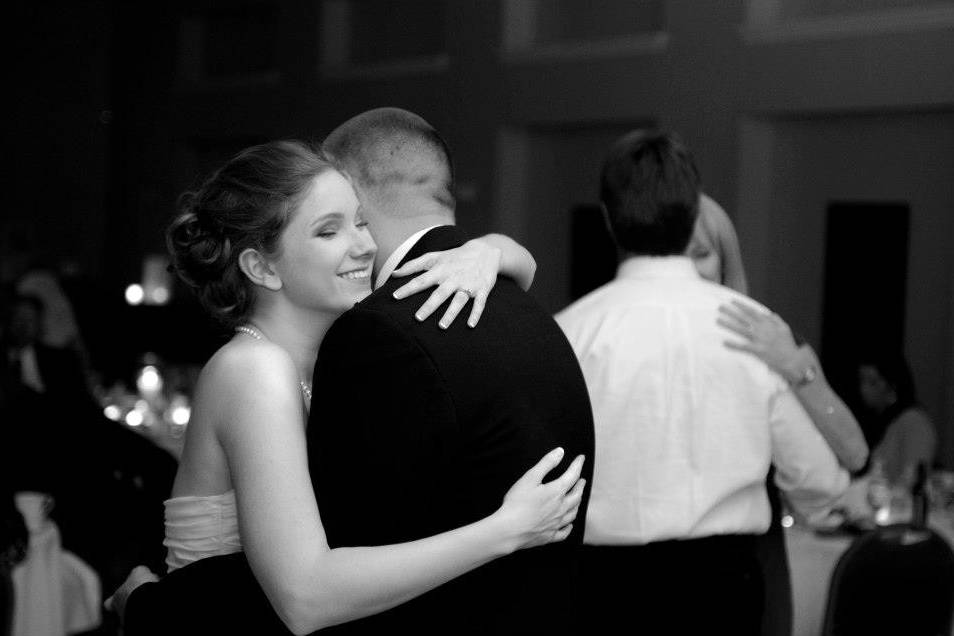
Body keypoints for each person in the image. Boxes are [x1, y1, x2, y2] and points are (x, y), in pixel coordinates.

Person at [113, 127, 592, 635]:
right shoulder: (254, 370)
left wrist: (486, 251)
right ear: (261, 266)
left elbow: (526, 263)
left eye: (362, 222)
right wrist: (504, 531)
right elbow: (304, 599)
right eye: (329, 231)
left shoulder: (340, 349)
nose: (364, 245)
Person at [556, 129, 848, 635]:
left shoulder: (570, 333)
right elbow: (820, 483)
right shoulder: (751, 327)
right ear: (693, 215)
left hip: (605, 589)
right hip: (726, 587)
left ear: (608, 219)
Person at [687, 193, 868, 636]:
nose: (687, 271)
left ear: (726, 264)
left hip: (751, 557)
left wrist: (793, 366)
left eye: (702, 254)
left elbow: (855, 453)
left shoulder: (768, 336)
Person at [857, 352, 936, 487]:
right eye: (861, 380)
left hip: (898, 505)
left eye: (872, 382)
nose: (863, 389)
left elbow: (914, 479)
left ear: (892, 385)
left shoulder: (913, 422)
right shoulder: (878, 422)